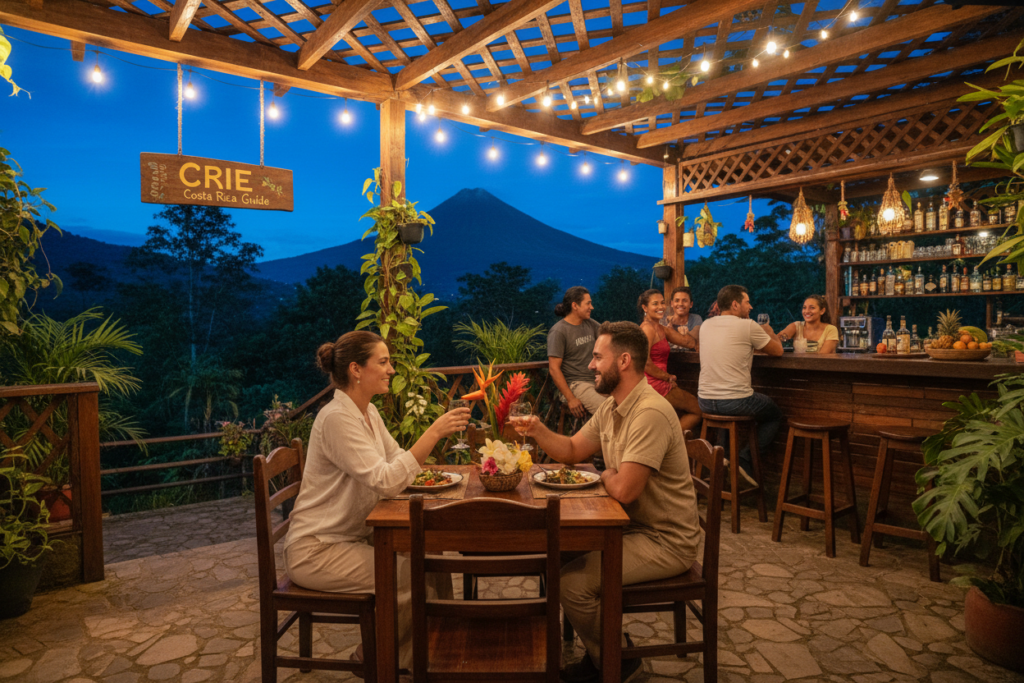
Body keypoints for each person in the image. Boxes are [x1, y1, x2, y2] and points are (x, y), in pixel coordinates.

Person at [520, 322, 702, 683]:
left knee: (572, 584)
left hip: (665, 540)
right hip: (634, 527)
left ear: (623, 361)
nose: (590, 365)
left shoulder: (648, 412)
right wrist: (536, 429)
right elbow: (572, 450)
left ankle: (620, 662)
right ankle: (603, 648)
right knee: (561, 555)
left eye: (597, 357)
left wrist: (604, 474)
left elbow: (623, 491)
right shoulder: (612, 406)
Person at [283, 330, 470, 670]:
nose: (391, 370)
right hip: (317, 547)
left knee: (429, 554)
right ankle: (379, 656)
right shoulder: (337, 418)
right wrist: (433, 433)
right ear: (356, 369)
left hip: (350, 536)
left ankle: (437, 645)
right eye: (383, 362)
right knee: (408, 575)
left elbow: (398, 461)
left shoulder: (368, 413)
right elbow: (386, 481)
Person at [692, 285, 784, 486]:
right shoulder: (748, 325)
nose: (750, 306)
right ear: (735, 304)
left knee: (726, 417)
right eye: (747, 302)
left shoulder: (706, 325)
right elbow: (777, 351)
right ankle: (744, 460)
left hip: (705, 402)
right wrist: (769, 331)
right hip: (735, 402)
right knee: (774, 415)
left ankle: (720, 464)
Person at [638, 289, 702, 434]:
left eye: (662, 303)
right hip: (654, 384)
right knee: (698, 409)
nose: (661, 307)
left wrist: (688, 333)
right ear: (645, 308)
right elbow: (645, 363)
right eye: (655, 304)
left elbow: (688, 342)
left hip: (659, 382)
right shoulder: (647, 329)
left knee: (677, 414)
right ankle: (670, 442)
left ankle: (666, 442)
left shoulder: (660, 328)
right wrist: (668, 377)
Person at [548, 286, 606, 418]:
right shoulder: (559, 331)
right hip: (576, 384)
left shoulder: (590, 324)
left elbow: (610, 337)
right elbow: (553, 369)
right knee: (607, 410)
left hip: (597, 380)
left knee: (627, 403)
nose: (592, 307)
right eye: (588, 303)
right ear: (575, 305)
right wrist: (570, 399)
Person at [661, 286, 701, 352]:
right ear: (672, 303)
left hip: (690, 361)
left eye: (684, 301)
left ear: (691, 304)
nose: (680, 304)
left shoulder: (695, 318)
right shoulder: (663, 321)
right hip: (668, 361)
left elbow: (694, 340)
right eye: (677, 300)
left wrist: (669, 332)